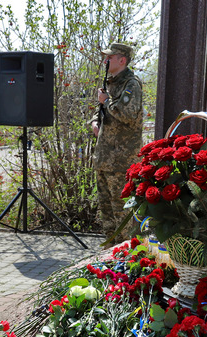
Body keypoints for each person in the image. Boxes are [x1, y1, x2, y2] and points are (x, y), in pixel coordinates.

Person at [89, 42, 143, 240]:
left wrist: (106, 101)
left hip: (121, 161)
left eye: (110, 57)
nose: (106, 60)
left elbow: (127, 114)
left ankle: (127, 254)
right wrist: (95, 121)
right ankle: (111, 255)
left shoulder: (131, 84)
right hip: (104, 159)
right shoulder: (110, 82)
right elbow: (100, 110)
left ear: (122, 60)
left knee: (123, 215)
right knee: (107, 215)